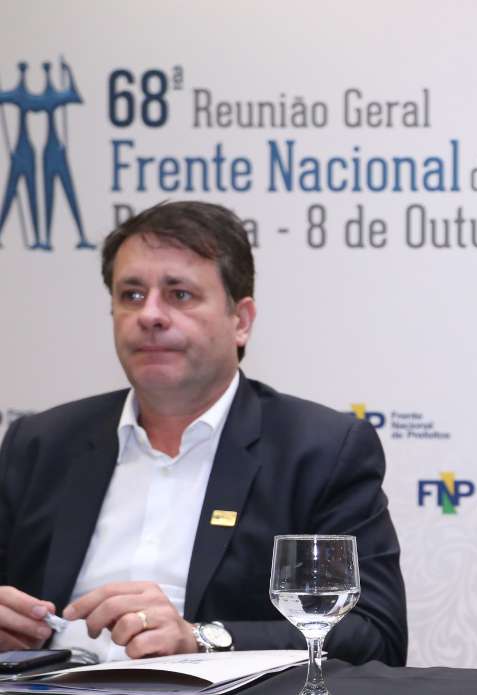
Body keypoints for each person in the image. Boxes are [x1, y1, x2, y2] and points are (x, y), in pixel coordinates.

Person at [0, 200, 406, 664]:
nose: (150, 315)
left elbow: (374, 636)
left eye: (179, 295)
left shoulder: (318, 452)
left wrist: (201, 638)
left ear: (241, 321)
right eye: (132, 295)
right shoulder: (40, 443)